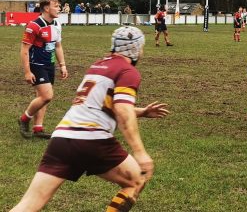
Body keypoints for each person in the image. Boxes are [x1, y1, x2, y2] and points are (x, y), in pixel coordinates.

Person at [11, 26, 169, 212]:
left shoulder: (98, 65)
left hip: (61, 139)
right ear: (134, 48)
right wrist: (140, 152)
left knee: (29, 204)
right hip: (92, 140)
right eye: (141, 47)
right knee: (135, 180)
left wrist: (141, 112)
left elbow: (101, 105)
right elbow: (121, 109)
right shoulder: (128, 71)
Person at [18, 0, 68, 139]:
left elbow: (58, 46)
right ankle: (24, 119)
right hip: (36, 65)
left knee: (42, 97)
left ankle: (38, 128)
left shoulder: (57, 24)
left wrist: (62, 65)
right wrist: (27, 72)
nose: (60, 8)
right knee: (47, 96)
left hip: (49, 65)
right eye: (56, 6)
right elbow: (24, 50)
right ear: (46, 8)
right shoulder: (34, 25)